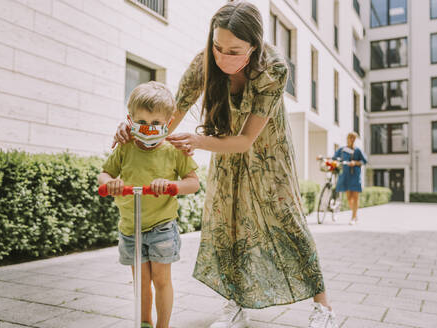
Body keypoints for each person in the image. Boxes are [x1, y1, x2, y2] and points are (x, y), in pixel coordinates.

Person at [113, 2, 338, 328]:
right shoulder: (204, 62)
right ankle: (235, 303)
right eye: (218, 46)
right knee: (228, 226)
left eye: (234, 50)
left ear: (255, 46)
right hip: (224, 152)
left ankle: (324, 307)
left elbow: (247, 140)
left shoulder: (273, 68)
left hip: (268, 155)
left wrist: (198, 141)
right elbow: (170, 116)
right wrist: (134, 132)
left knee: (289, 223)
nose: (222, 56)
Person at [99, 81, 200, 328]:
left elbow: (193, 182)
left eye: (156, 123)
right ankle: (144, 322)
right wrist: (110, 183)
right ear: (130, 119)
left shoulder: (173, 150)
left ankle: (162, 326)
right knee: (142, 282)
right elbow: (104, 174)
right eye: (142, 122)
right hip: (130, 227)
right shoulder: (124, 147)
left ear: (168, 121)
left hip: (161, 227)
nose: (149, 128)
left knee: (161, 280)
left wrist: (170, 185)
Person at [333, 132, 368, 225]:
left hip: (355, 176)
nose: (351, 139)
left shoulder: (357, 151)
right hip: (345, 176)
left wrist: (355, 163)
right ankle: (355, 214)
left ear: (355, 139)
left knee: (355, 197)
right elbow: (334, 158)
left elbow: (364, 161)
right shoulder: (342, 150)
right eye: (350, 137)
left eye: (353, 138)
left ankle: (353, 217)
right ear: (347, 138)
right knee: (349, 197)